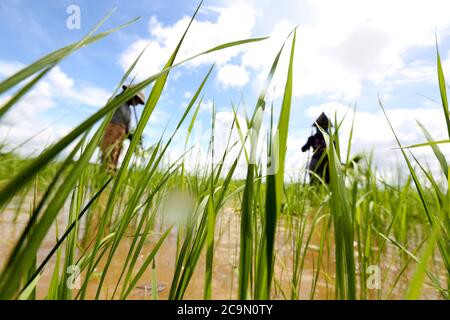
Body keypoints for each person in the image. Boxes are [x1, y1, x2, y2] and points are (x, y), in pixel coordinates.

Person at [100, 84, 145, 173]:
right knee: (108, 153)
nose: (136, 104)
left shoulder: (129, 110)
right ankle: (103, 174)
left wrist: (132, 137)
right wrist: (123, 95)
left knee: (116, 155)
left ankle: (110, 175)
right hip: (112, 130)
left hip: (121, 134)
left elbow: (128, 126)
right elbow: (108, 109)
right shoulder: (118, 101)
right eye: (136, 100)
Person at [301, 112, 331, 184]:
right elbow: (303, 149)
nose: (323, 128)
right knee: (312, 169)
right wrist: (307, 145)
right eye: (321, 126)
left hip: (326, 159)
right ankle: (313, 184)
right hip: (316, 158)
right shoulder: (313, 138)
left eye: (325, 126)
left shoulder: (330, 139)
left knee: (328, 175)